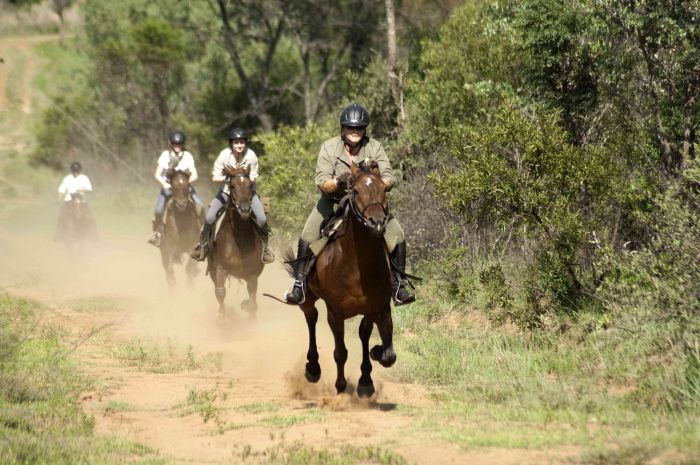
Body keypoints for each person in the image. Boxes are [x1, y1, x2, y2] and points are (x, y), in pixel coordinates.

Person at [284, 103, 416, 306]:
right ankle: (299, 285)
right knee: (307, 235)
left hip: (368, 203)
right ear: (342, 128)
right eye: (350, 128)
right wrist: (338, 181)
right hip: (334, 201)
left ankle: (399, 285)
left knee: (397, 235)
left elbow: (390, 178)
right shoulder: (329, 147)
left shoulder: (375, 146)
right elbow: (322, 181)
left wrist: (375, 180)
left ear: (364, 130)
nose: (355, 132)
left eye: (359, 128)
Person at [190, 127, 275, 264]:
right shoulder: (224, 155)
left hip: (248, 193)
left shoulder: (251, 155)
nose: (239, 145)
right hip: (226, 192)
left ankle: (265, 249)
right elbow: (215, 177)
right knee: (210, 216)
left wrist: (241, 178)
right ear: (231, 144)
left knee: (262, 218)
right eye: (236, 142)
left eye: (242, 142)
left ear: (245, 143)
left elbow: (253, 177)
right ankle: (203, 246)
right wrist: (230, 179)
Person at [148, 130, 205, 247]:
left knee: (200, 206)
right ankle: (157, 234)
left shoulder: (188, 156)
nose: (177, 146)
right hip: (169, 187)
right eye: (175, 144)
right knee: (159, 211)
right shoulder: (165, 155)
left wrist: (186, 183)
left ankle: (202, 235)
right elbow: (157, 174)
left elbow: (195, 174)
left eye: (179, 144)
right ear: (171, 144)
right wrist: (165, 184)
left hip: (184, 187)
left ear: (183, 144)